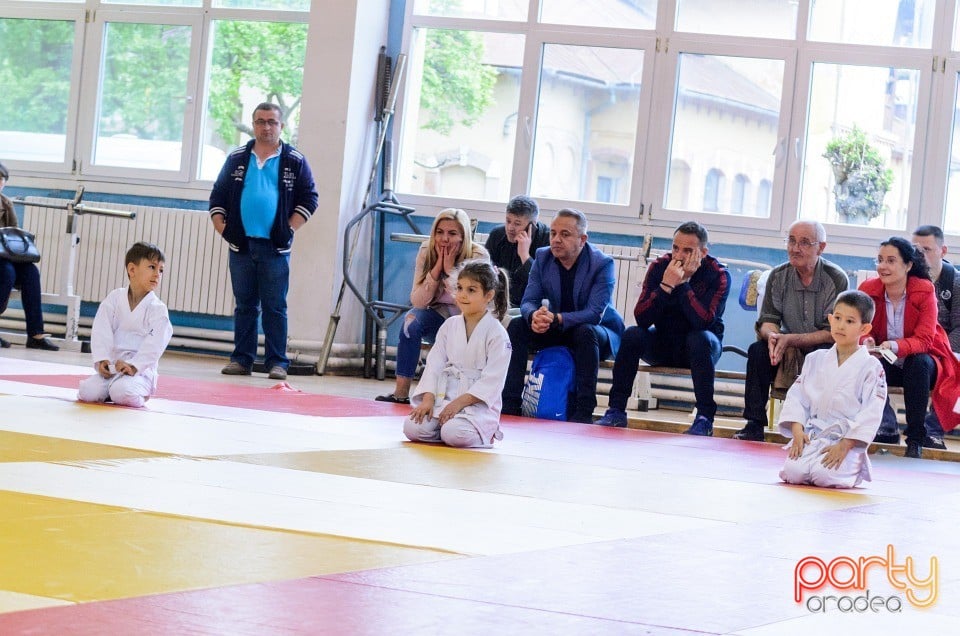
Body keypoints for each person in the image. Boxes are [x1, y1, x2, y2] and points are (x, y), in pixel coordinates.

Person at [209, 102, 318, 381]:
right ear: (253, 124)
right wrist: (225, 229)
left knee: (274, 306)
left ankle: (277, 363)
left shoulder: (295, 160)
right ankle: (241, 360)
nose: (266, 126)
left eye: (272, 121)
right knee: (244, 305)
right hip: (241, 245)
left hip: (275, 248)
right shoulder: (236, 158)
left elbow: (310, 198)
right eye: (260, 121)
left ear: (281, 126)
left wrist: (289, 228)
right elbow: (218, 196)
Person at [595, 221, 730, 435]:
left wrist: (684, 283)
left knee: (699, 338)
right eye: (676, 248)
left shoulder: (718, 273)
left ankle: (704, 418)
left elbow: (703, 321)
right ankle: (616, 411)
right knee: (632, 334)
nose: (679, 255)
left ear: (703, 252)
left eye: (688, 250)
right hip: (664, 342)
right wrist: (666, 286)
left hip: (702, 347)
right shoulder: (660, 267)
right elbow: (641, 318)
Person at [500, 208, 624, 424]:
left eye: (565, 234)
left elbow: (594, 313)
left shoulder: (602, 263)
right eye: (553, 233)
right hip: (555, 326)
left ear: (582, 239)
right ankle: (510, 405)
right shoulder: (542, 256)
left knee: (585, 332)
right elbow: (528, 301)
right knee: (518, 326)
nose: (556, 239)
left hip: (597, 332)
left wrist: (557, 319)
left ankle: (583, 413)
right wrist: (533, 317)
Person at [733, 220, 848, 441]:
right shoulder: (777, 276)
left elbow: (833, 332)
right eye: (792, 241)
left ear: (821, 247)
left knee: (825, 353)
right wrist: (774, 337)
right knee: (758, 350)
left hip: (821, 344)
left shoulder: (835, 278)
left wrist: (790, 339)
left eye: (804, 243)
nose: (795, 248)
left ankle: (820, 426)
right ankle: (754, 424)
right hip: (786, 344)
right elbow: (767, 321)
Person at [859, 237, 960, 459]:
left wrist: (895, 345)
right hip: (887, 359)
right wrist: (866, 340)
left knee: (918, 362)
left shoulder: (924, 290)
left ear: (908, 265)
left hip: (925, 360)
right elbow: (860, 325)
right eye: (880, 260)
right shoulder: (868, 289)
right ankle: (885, 425)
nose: (882, 266)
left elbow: (925, 340)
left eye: (891, 260)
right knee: (866, 362)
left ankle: (915, 437)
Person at [376, 208, 488, 404]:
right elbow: (418, 301)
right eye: (439, 232)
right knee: (410, 321)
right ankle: (400, 393)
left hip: (468, 321)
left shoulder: (477, 256)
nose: (444, 239)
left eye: (452, 234)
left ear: (463, 237)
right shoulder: (426, 251)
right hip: (439, 316)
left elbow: (471, 305)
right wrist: (436, 272)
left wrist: (450, 272)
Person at [779, 290, 886, 488]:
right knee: (793, 473)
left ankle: (854, 471)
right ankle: (814, 460)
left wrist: (846, 444)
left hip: (846, 440)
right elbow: (797, 397)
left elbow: (872, 411)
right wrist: (797, 430)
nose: (841, 325)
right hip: (813, 437)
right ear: (830, 319)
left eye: (850, 321)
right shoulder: (815, 359)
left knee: (824, 476)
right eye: (837, 318)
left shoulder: (871, 367)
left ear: (864, 328)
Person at [403, 260, 511, 447]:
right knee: (412, 427)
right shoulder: (449, 326)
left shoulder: (497, 334)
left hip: (476, 406)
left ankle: (482, 431)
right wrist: (428, 399)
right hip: (444, 398)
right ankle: (442, 429)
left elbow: (493, 380)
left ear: (488, 295)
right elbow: (434, 365)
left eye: (471, 290)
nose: (463, 295)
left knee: (455, 434)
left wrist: (459, 404)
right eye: (460, 288)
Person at [77, 242, 173, 408]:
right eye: (152, 267)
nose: (157, 274)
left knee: (122, 392)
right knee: (88, 392)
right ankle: (108, 390)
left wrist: (135, 366)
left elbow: (155, 344)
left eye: (161, 270)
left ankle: (138, 394)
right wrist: (102, 359)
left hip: (140, 372)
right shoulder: (114, 298)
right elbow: (101, 329)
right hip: (113, 367)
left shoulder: (157, 309)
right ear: (132, 270)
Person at [904, 225, 960, 449]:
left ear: (943, 251)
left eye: (926, 249)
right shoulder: (906, 279)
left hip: (947, 348)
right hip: (916, 346)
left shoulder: (955, 283)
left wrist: (936, 349)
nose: (920, 255)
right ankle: (885, 424)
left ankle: (934, 429)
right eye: (915, 249)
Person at [0, 161, 59, 351]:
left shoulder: (5, 203)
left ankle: (35, 334)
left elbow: (13, 234)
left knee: (30, 272)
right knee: (7, 272)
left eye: (1, 179)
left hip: (2, 255)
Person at [484, 195, 550, 308]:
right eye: (508, 221)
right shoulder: (497, 234)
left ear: (532, 225)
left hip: (531, 304)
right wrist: (490, 271)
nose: (510, 228)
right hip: (498, 300)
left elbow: (543, 285)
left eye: (517, 223)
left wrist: (525, 256)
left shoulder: (547, 240)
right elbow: (485, 267)